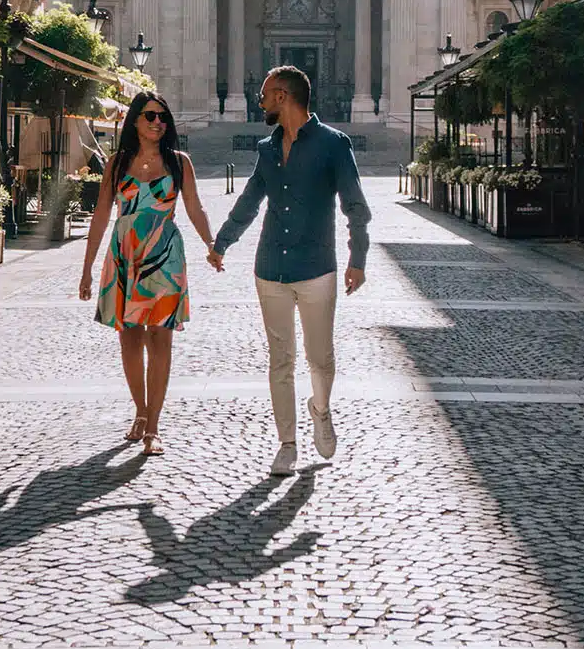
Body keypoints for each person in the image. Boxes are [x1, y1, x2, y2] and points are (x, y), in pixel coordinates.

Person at [208, 64, 370, 476]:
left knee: (320, 358)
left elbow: (355, 206)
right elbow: (249, 201)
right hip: (270, 268)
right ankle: (287, 443)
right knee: (280, 360)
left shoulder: (335, 145)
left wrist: (358, 258)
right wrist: (222, 242)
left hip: (317, 267)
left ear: (282, 96)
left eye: (264, 94)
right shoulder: (266, 148)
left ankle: (320, 408)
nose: (259, 100)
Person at [79, 91, 216, 454]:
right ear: (135, 120)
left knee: (160, 338)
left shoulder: (179, 162)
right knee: (129, 338)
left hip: (164, 254)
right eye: (151, 116)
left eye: (163, 117)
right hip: (124, 254)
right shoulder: (117, 162)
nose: (158, 123)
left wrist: (211, 244)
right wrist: (87, 268)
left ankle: (153, 424)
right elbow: (101, 215)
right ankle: (139, 411)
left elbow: (195, 207)